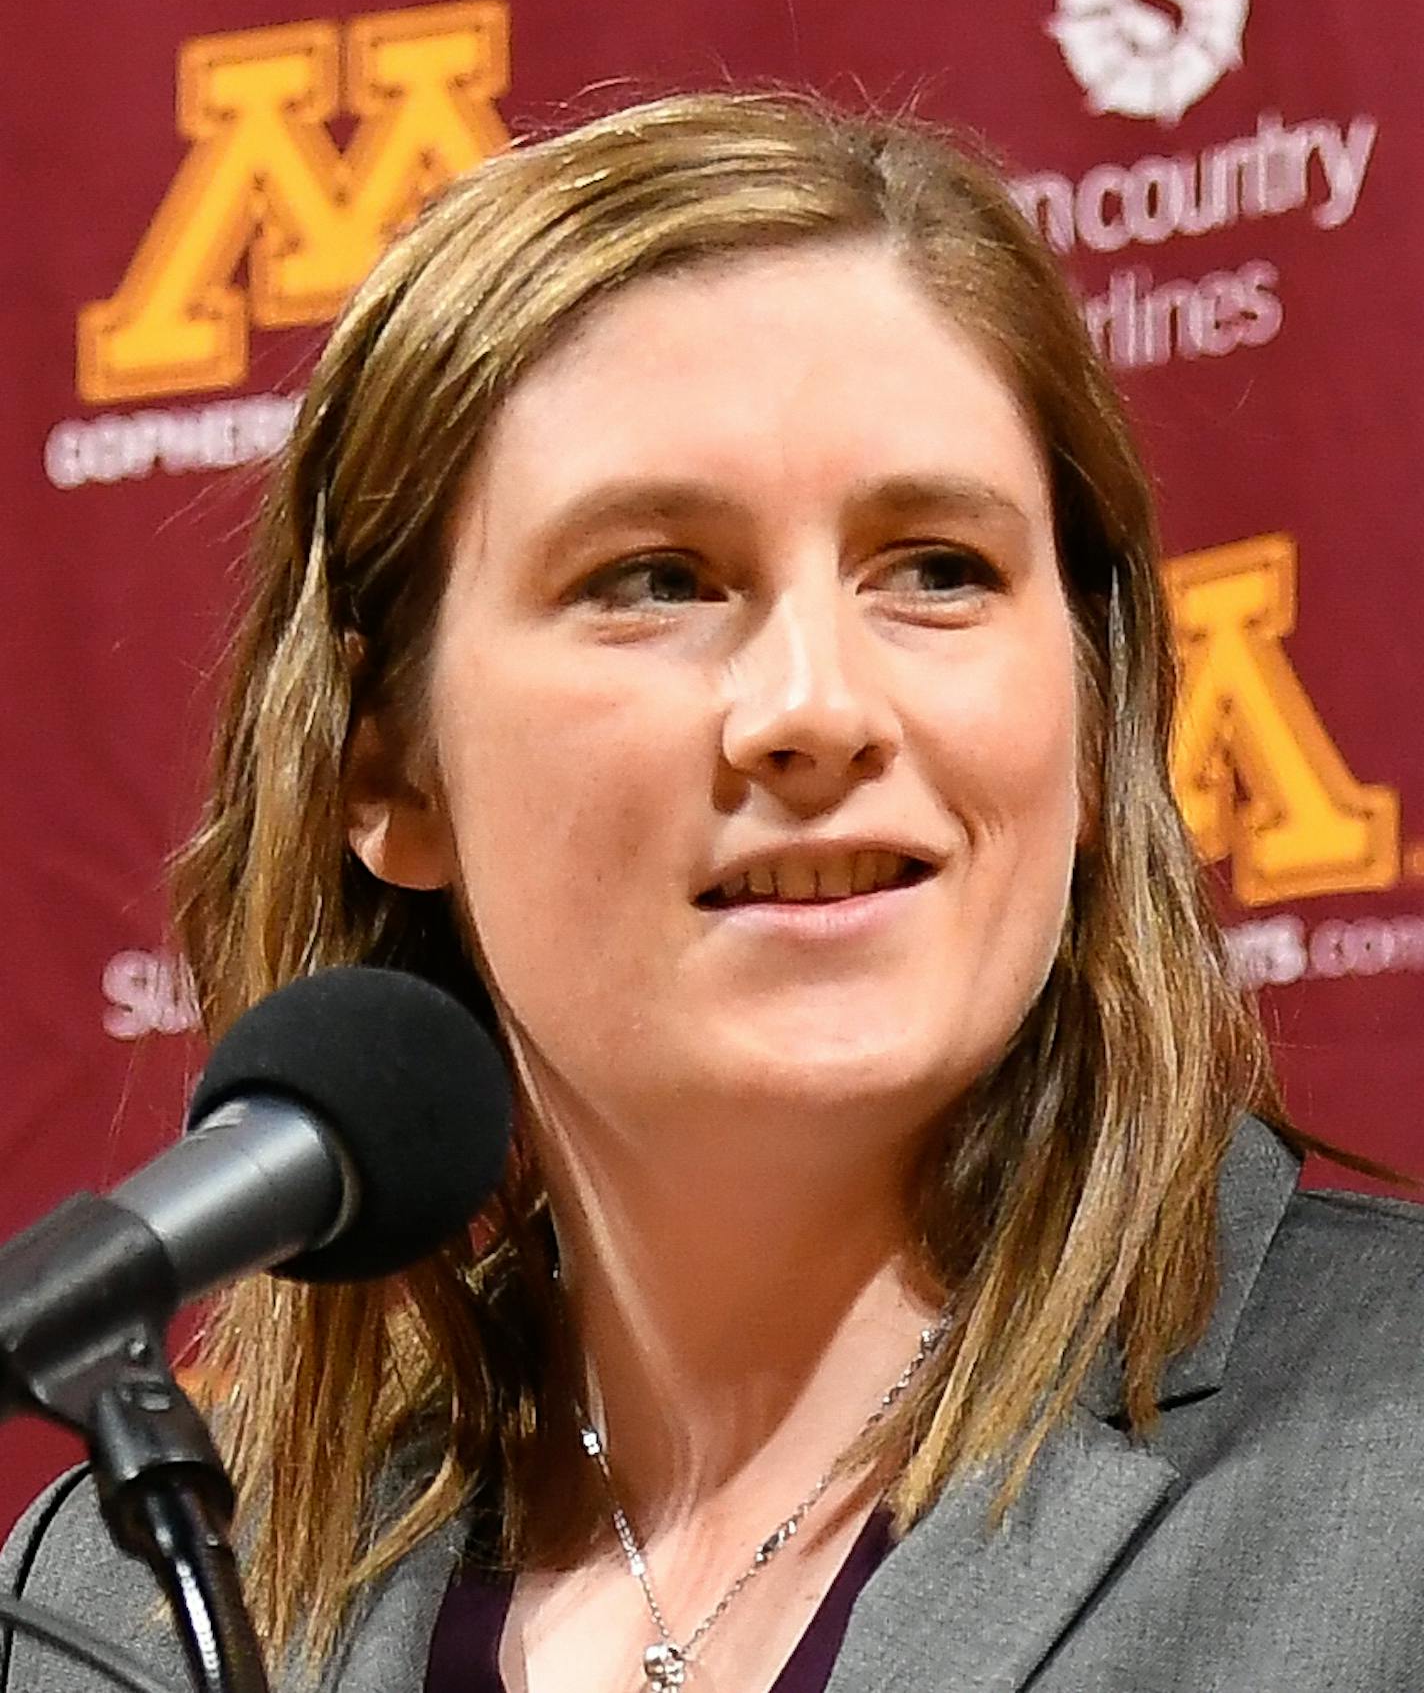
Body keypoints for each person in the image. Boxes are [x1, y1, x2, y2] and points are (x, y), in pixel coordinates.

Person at [4, 90, 1424, 1693]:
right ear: (387, 768)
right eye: (657, 580)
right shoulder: (117, 1608)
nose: (816, 704)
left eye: (939, 568)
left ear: (1092, 708)